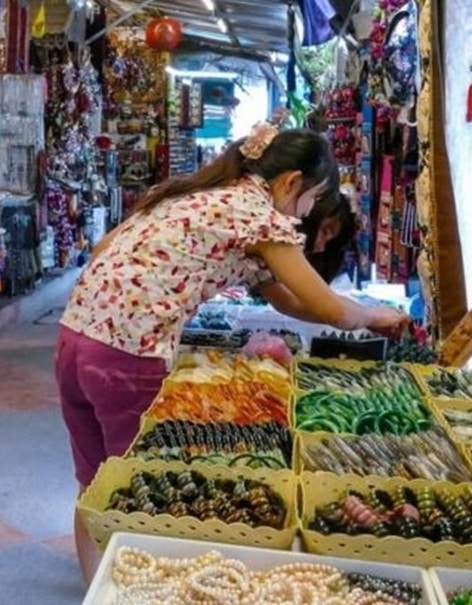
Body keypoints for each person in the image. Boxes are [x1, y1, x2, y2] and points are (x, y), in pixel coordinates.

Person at [55, 125, 409, 582]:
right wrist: (375, 317)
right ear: (289, 183)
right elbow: (322, 303)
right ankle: (131, 589)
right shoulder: (256, 213)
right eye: (310, 199)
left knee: (95, 481)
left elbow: (288, 300)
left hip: (74, 338)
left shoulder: (201, 197)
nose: (305, 213)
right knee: (141, 492)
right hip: (128, 354)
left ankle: (95, 587)